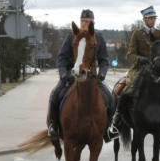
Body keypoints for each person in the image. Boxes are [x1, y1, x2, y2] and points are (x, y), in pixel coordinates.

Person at [45, 9, 114, 141]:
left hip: (92, 78)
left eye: (88, 21)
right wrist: (64, 74)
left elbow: (104, 59)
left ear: (93, 22)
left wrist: (102, 74)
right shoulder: (71, 36)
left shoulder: (98, 37)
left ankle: (109, 129)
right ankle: (53, 126)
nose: (85, 23)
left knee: (111, 98)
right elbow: (62, 58)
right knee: (55, 94)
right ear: (80, 21)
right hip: (72, 77)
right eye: (83, 21)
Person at [111, 6, 160, 131]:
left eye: (154, 18)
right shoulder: (137, 34)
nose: (152, 20)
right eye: (150, 18)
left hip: (157, 68)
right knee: (128, 89)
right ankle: (118, 114)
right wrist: (139, 59)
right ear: (144, 19)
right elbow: (130, 53)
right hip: (140, 68)